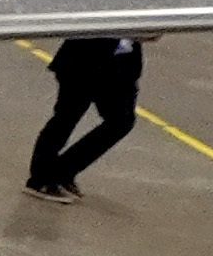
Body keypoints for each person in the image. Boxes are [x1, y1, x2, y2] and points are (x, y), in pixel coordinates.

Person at [27, 34, 144, 202]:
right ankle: (40, 179)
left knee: (121, 120)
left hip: (120, 65)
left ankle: (61, 172)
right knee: (67, 116)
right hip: (84, 60)